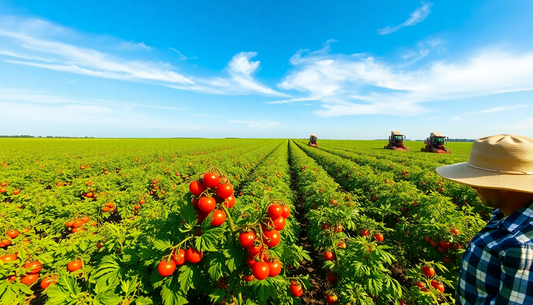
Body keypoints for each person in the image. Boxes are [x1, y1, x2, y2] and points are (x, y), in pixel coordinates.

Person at [436, 134, 533, 304]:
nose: (473, 186)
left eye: (478, 179)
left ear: (502, 185)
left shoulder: (520, 245)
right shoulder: (505, 217)